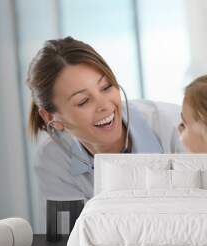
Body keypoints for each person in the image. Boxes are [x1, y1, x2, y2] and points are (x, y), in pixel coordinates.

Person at [27, 36, 184, 204]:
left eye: (106, 87)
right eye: (83, 101)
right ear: (51, 117)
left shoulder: (178, 127)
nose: (104, 105)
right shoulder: (54, 159)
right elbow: (67, 230)